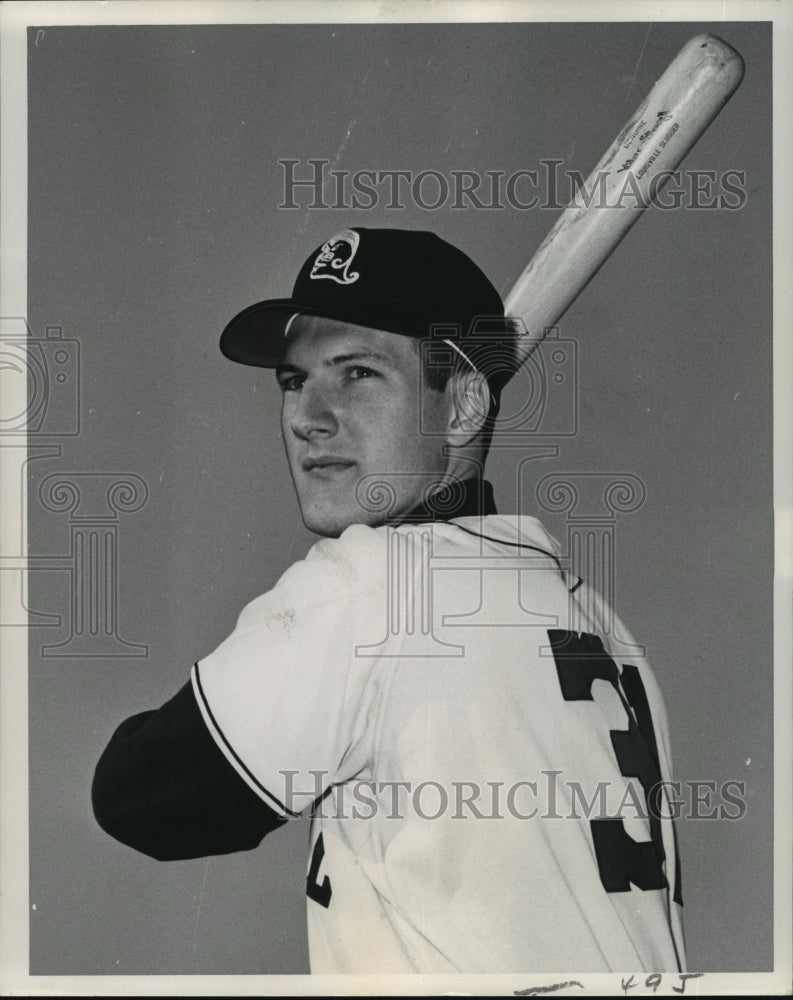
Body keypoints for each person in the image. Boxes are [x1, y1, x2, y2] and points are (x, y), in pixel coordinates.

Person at [92, 227, 685, 974]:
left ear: (464, 404)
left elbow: (140, 799)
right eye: (292, 380)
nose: (309, 415)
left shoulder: (369, 586)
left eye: (358, 374)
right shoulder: (589, 616)